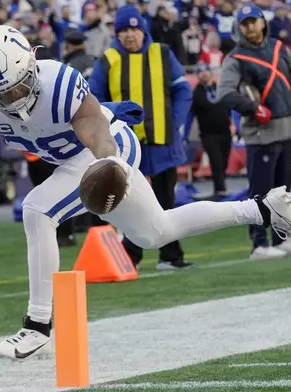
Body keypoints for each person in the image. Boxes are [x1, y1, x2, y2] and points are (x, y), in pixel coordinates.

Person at [0, 25, 291, 360]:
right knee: (155, 232)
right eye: (1, 95)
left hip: (108, 148)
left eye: (17, 88)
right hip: (70, 161)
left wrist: (108, 166)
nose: (12, 100)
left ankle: (37, 325)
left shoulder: (58, 81)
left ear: (32, 64)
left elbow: (95, 130)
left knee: (38, 209)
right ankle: (263, 209)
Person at [89, 5, 193, 270]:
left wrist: (175, 121)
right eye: (124, 30)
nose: (130, 35)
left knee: (166, 200)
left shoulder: (162, 53)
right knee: (132, 201)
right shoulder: (108, 59)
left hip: (162, 143)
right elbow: (93, 101)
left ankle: (170, 256)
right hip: (126, 145)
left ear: (143, 30)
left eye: (135, 29)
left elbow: (183, 90)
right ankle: (130, 257)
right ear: (117, 33)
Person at [216, 3, 291, 259]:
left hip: (288, 127)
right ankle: (259, 244)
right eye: (245, 23)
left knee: (282, 193)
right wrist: (252, 107)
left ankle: (281, 240)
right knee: (260, 192)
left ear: (262, 22)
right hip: (261, 132)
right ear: (240, 28)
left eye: (254, 21)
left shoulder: (279, 47)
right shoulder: (235, 58)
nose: (251, 26)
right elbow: (225, 92)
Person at [191, 63, 231, 199]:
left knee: (224, 161)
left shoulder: (219, 88)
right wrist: (183, 134)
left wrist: (235, 124)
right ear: (197, 75)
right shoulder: (196, 93)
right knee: (216, 161)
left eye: (206, 71)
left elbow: (229, 106)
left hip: (225, 132)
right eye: (200, 72)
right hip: (209, 134)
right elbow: (190, 115)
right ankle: (220, 190)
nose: (204, 74)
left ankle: (221, 185)